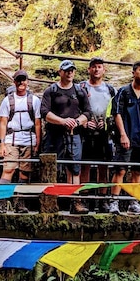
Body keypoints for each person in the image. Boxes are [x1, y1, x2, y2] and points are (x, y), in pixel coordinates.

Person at [108, 60, 140, 215]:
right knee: (120, 170)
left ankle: (133, 202)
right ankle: (113, 201)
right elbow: (117, 113)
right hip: (126, 137)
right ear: (134, 72)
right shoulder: (124, 92)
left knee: (137, 171)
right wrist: (122, 134)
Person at [40, 60, 92, 198]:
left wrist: (76, 122)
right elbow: (44, 112)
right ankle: (50, 201)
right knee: (51, 167)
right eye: (67, 70)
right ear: (60, 72)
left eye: (72, 70)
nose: (70, 73)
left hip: (74, 134)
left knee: (74, 168)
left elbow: (87, 112)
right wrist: (62, 121)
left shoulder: (80, 91)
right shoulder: (51, 91)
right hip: (54, 134)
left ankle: (75, 200)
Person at [0, 69, 42, 213]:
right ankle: (1, 203)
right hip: (11, 138)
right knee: (8, 170)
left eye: (24, 80)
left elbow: (38, 123)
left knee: (24, 172)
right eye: (18, 80)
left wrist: (38, 143)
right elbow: (2, 122)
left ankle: (20, 203)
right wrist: (2, 143)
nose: (21, 82)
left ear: (27, 82)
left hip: (29, 139)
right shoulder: (7, 100)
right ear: (14, 82)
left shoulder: (34, 100)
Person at [80, 57, 116, 212]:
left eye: (99, 67)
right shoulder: (81, 87)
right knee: (84, 166)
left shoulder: (110, 89)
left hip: (104, 133)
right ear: (89, 69)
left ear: (104, 69)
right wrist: (84, 122)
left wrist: (108, 124)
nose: (96, 70)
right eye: (93, 67)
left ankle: (103, 200)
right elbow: (77, 107)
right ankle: (84, 199)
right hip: (85, 132)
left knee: (103, 166)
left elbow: (115, 111)